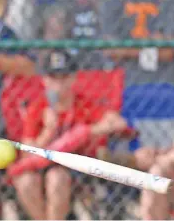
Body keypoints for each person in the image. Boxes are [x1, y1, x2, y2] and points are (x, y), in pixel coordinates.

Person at [8, 50, 129, 220]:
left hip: (74, 167)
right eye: (53, 78)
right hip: (40, 166)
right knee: (26, 181)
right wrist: (47, 132)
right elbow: (27, 154)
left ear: (73, 78)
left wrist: (89, 131)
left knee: (56, 177)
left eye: (64, 77)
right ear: (45, 80)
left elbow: (118, 122)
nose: (59, 85)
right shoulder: (38, 108)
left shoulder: (83, 105)